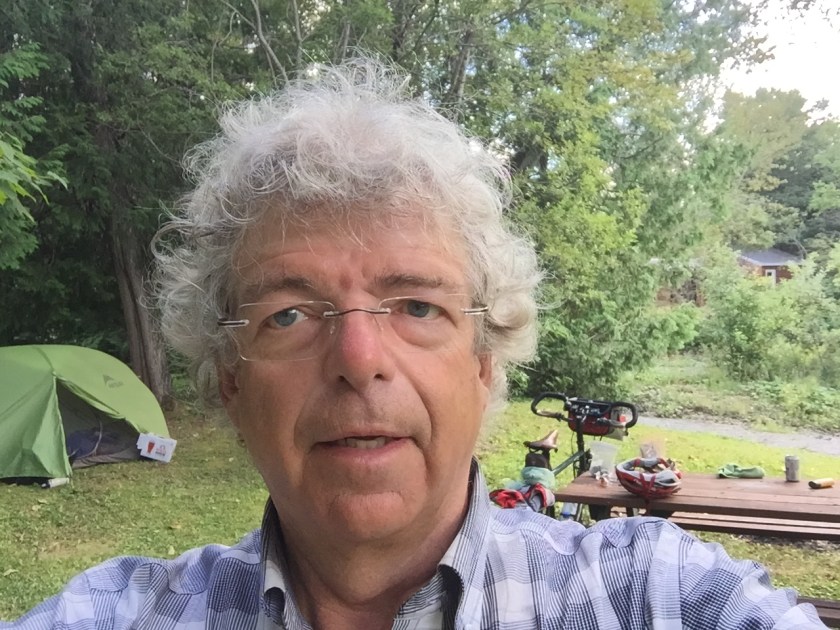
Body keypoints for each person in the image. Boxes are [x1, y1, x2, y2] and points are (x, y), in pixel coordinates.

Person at [2, 59, 826, 630]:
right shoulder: (119, 614)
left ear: (484, 360)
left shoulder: (658, 598)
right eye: (289, 315)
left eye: (418, 306)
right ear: (230, 379)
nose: (360, 358)